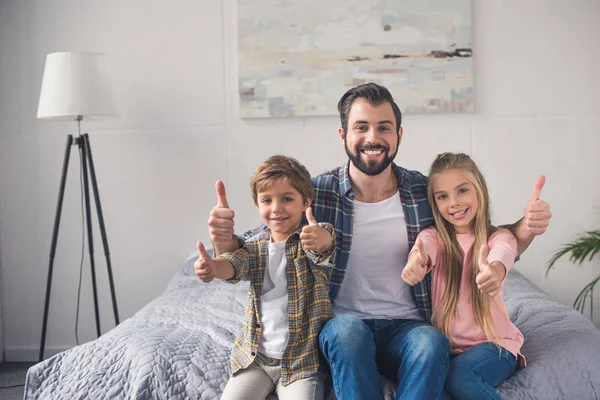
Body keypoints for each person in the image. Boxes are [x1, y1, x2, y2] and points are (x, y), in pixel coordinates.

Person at [207, 83, 552, 400]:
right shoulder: (317, 192)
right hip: (344, 327)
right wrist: (224, 241)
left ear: (398, 135)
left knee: (431, 342)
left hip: (409, 327)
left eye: (384, 127)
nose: (373, 137)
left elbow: (481, 236)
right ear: (343, 134)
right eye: (362, 127)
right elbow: (262, 242)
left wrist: (527, 227)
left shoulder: (423, 191)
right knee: (346, 334)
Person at [195, 155, 336, 400]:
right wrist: (211, 267)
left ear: (306, 202)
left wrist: (321, 239)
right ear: (258, 205)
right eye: (267, 200)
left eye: (287, 199)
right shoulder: (255, 247)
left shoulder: (310, 238)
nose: (276, 208)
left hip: (300, 364)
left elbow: (324, 246)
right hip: (255, 361)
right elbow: (233, 265)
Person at [402, 152, 525, 400]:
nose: (454, 203)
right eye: (443, 196)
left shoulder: (498, 237)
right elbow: (424, 249)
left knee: (458, 376)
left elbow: (503, 253)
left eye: (462, 191)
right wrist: (417, 261)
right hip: (449, 349)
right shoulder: (435, 237)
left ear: (479, 190)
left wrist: (495, 270)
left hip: (495, 345)